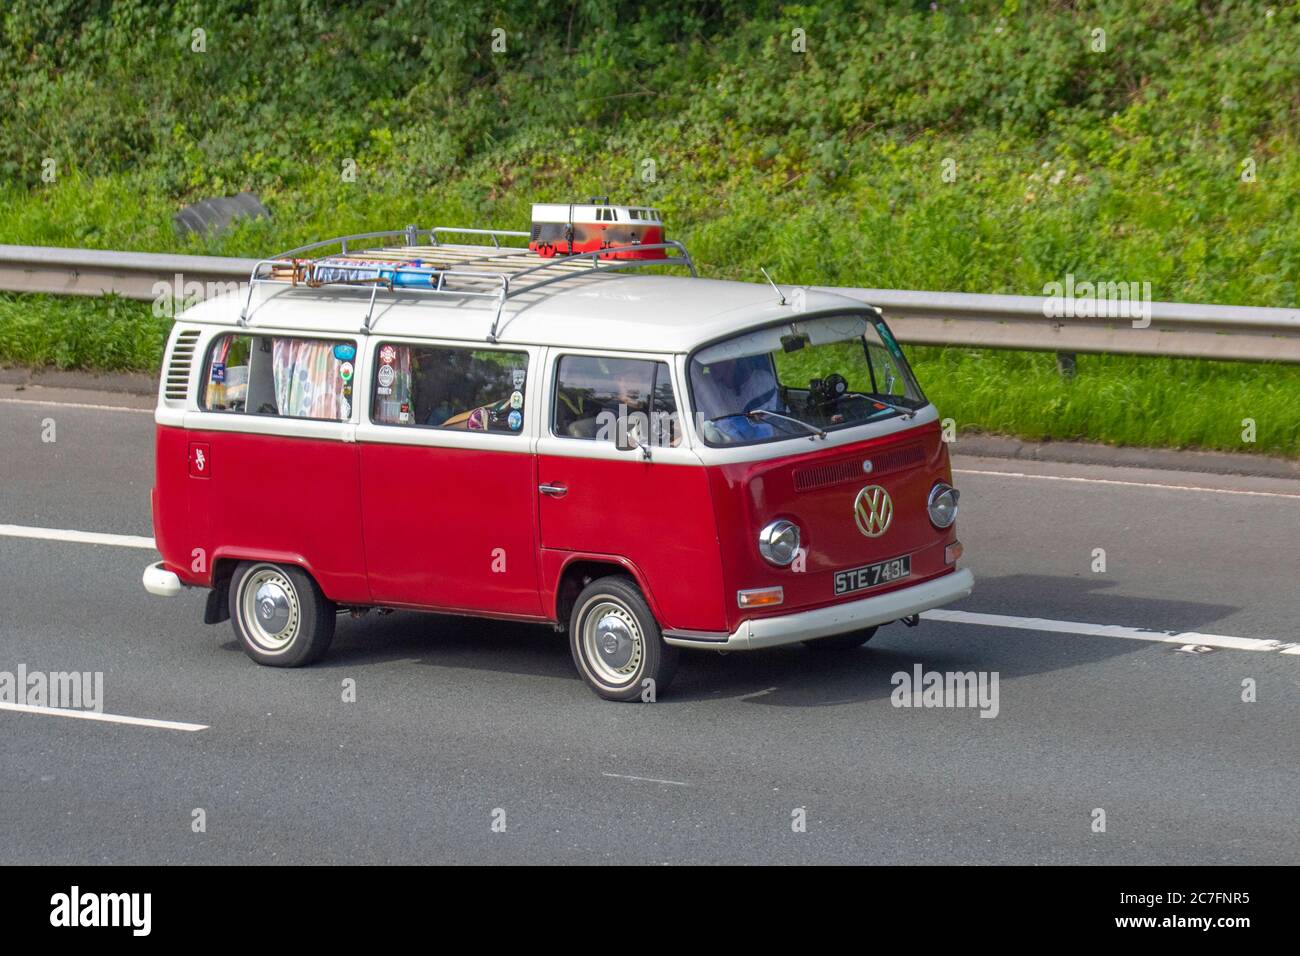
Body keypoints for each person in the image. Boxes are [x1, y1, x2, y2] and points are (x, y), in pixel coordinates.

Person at [693, 353, 783, 443]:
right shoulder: (717, 390)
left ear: (730, 360)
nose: (708, 367)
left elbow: (771, 427)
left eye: (713, 361)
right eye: (706, 362)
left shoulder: (761, 381)